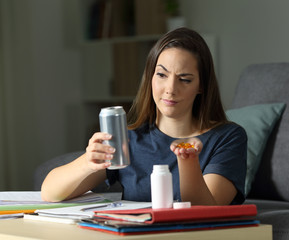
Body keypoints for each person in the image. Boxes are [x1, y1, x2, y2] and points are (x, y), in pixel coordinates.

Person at [41, 27, 247, 205]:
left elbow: (206, 211)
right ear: (150, 77)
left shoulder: (227, 137)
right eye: (161, 75)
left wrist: (188, 160)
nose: (170, 89)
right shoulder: (129, 140)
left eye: (184, 79)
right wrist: (88, 161)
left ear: (201, 86)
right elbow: (50, 192)